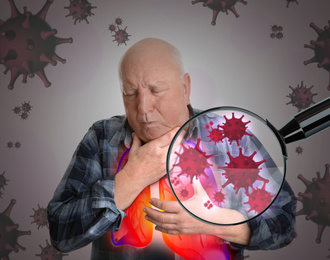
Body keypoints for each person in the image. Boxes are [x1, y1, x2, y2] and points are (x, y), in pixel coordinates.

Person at [48, 38, 296, 260]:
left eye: (156, 90)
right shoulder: (102, 137)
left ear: (185, 88)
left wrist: (216, 222)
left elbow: (284, 222)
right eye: (130, 93)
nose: (143, 108)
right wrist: (131, 179)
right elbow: (60, 234)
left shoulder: (231, 138)